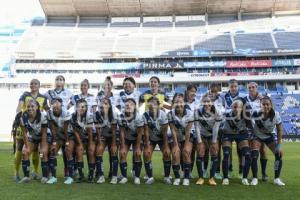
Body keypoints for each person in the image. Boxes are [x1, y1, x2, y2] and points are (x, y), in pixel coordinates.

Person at [14, 79, 49, 182]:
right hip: (28, 129)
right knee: (22, 149)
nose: (33, 85)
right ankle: (18, 173)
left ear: (39, 85)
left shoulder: (43, 99)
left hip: (40, 131)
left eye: (35, 83)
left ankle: (40, 173)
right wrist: (19, 116)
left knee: (41, 152)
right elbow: (19, 108)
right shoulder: (25, 96)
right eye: (31, 83)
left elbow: (47, 110)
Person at [250, 96, 285, 186]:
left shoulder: (276, 114)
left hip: (269, 136)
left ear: (271, 105)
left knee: (278, 154)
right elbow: (248, 124)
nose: (265, 106)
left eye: (267, 104)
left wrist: (279, 145)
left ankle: (276, 179)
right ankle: (255, 178)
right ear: (260, 105)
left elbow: (280, 130)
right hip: (257, 136)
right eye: (263, 104)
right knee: (254, 155)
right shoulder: (255, 113)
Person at [44, 75, 73, 177]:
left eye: (61, 79)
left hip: (64, 119)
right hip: (54, 121)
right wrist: (48, 109)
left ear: (64, 82)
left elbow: (73, 101)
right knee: (51, 148)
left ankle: (67, 170)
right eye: (57, 79)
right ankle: (50, 171)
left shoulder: (68, 92)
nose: (58, 81)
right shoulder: (49, 92)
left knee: (66, 150)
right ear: (54, 81)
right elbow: (43, 101)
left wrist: (67, 108)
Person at [221, 98, 252, 185]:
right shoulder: (226, 115)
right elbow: (220, 126)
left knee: (247, 154)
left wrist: (249, 136)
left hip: (241, 135)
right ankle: (225, 177)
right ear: (231, 107)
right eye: (235, 107)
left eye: (239, 107)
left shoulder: (246, 116)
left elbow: (251, 128)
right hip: (228, 134)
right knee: (226, 153)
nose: (236, 109)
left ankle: (244, 177)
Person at [18, 99, 49, 184]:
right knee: (25, 152)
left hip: (43, 136)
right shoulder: (23, 118)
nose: (30, 108)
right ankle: (26, 177)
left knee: (43, 153)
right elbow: (24, 133)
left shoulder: (43, 116)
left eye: (32, 106)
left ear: (37, 107)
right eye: (28, 106)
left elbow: (44, 133)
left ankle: (45, 177)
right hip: (32, 137)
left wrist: (42, 147)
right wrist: (27, 147)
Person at [64, 99, 95, 184]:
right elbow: (75, 131)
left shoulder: (89, 116)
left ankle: (91, 175)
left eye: (83, 106)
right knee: (78, 150)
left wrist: (91, 143)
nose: (81, 108)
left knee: (91, 151)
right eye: (79, 106)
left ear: (86, 107)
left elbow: (90, 131)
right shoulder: (73, 116)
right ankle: (81, 175)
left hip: (87, 136)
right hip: (75, 136)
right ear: (76, 108)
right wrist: (80, 144)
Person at [143, 96, 172, 185]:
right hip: (151, 138)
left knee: (167, 153)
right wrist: (147, 146)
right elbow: (146, 131)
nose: (153, 105)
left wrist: (166, 146)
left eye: (155, 103)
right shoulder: (145, 115)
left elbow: (164, 132)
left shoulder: (163, 115)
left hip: (162, 138)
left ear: (159, 105)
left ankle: (167, 177)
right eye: (151, 103)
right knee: (146, 153)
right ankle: (150, 176)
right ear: (148, 105)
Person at [194, 95, 222, 186]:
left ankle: (211, 178)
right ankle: (201, 177)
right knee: (200, 151)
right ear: (202, 103)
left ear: (212, 102)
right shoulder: (197, 111)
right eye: (205, 101)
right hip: (201, 134)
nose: (207, 103)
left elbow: (216, 127)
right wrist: (199, 141)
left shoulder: (217, 112)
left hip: (212, 135)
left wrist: (214, 141)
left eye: (209, 101)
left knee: (214, 152)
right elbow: (197, 127)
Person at [220, 79, 246, 178]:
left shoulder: (243, 96)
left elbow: (247, 109)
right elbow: (220, 108)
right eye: (231, 86)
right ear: (228, 87)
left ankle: (241, 169)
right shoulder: (223, 96)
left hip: (239, 127)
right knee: (227, 151)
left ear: (238, 87)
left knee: (241, 151)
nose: (233, 88)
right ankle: (229, 170)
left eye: (235, 86)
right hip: (228, 127)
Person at [168, 93, 194, 186]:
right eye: (176, 102)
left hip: (187, 136)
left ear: (184, 103)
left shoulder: (190, 113)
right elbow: (173, 130)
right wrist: (176, 145)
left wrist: (186, 145)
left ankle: (186, 177)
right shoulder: (170, 114)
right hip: (176, 137)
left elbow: (188, 130)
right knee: (175, 153)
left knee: (186, 151)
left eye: (181, 102)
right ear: (173, 104)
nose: (179, 104)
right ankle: (177, 178)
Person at [245, 82, 269, 182]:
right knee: (252, 151)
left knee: (263, 150)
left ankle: (264, 173)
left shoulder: (263, 99)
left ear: (257, 88)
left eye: (253, 87)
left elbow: (269, 110)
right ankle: (254, 174)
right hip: (250, 128)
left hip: (260, 128)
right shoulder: (245, 99)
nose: (251, 89)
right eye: (249, 88)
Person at [118, 98, 144, 184]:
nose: (129, 105)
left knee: (137, 154)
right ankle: (124, 176)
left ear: (135, 107)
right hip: (126, 138)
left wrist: (138, 148)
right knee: (122, 153)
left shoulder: (139, 117)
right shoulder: (121, 116)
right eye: (127, 104)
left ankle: (137, 177)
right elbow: (121, 132)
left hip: (137, 138)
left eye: (131, 104)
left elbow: (140, 133)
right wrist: (122, 146)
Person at [47, 97, 71, 184]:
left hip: (68, 134)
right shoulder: (49, 113)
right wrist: (54, 141)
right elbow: (52, 128)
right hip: (57, 134)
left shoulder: (66, 113)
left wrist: (67, 142)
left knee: (67, 151)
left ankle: (68, 173)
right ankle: (53, 176)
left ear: (61, 105)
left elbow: (66, 129)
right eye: (54, 107)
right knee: (52, 150)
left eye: (57, 106)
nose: (56, 108)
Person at [94, 98, 119, 184]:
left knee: (114, 151)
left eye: (105, 103)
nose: (103, 105)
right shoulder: (96, 114)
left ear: (109, 105)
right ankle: (101, 176)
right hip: (103, 135)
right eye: (102, 103)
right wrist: (99, 140)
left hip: (113, 136)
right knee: (98, 151)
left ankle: (114, 176)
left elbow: (114, 131)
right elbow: (97, 128)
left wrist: (114, 144)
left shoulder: (114, 114)